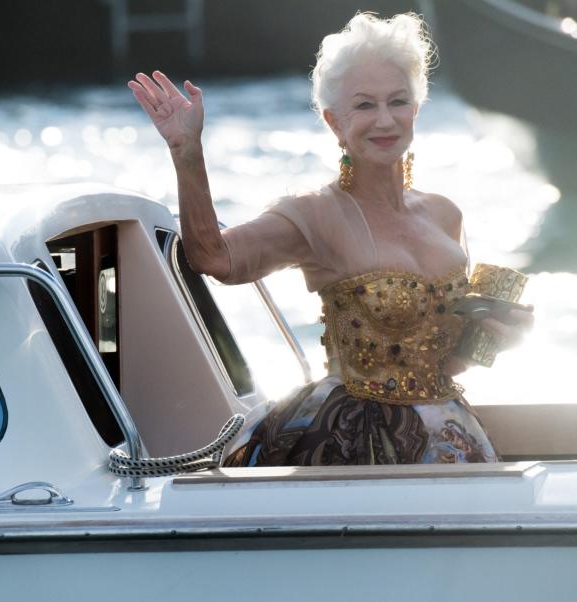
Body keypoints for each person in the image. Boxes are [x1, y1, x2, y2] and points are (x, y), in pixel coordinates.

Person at [128, 12, 533, 466]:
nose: (384, 120)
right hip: (355, 444)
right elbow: (213, 258)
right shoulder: (314, 213)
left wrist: (499, 336)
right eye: (364, 106)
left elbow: (450, 364)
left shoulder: (445, 214)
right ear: (334, 122)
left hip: (452, 436)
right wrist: (187, 151)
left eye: (397, 101)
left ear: (415, 111)